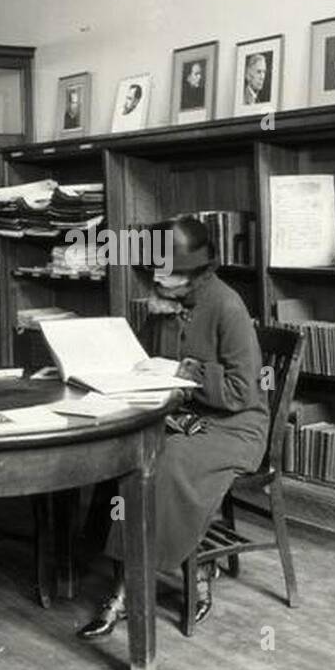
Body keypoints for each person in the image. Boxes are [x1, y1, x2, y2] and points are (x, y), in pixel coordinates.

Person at [78, 216, 269, 639]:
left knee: (162, 464)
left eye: (166, 274)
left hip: (233, 426)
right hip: (183, 415)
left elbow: (241, 391)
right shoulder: (170, 300)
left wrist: (183, 368)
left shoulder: (227, 306)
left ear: (195, 271)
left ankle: (131, 588)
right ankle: (171, 565)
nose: (157, 281)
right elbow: (152, 365)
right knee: (124, 454)